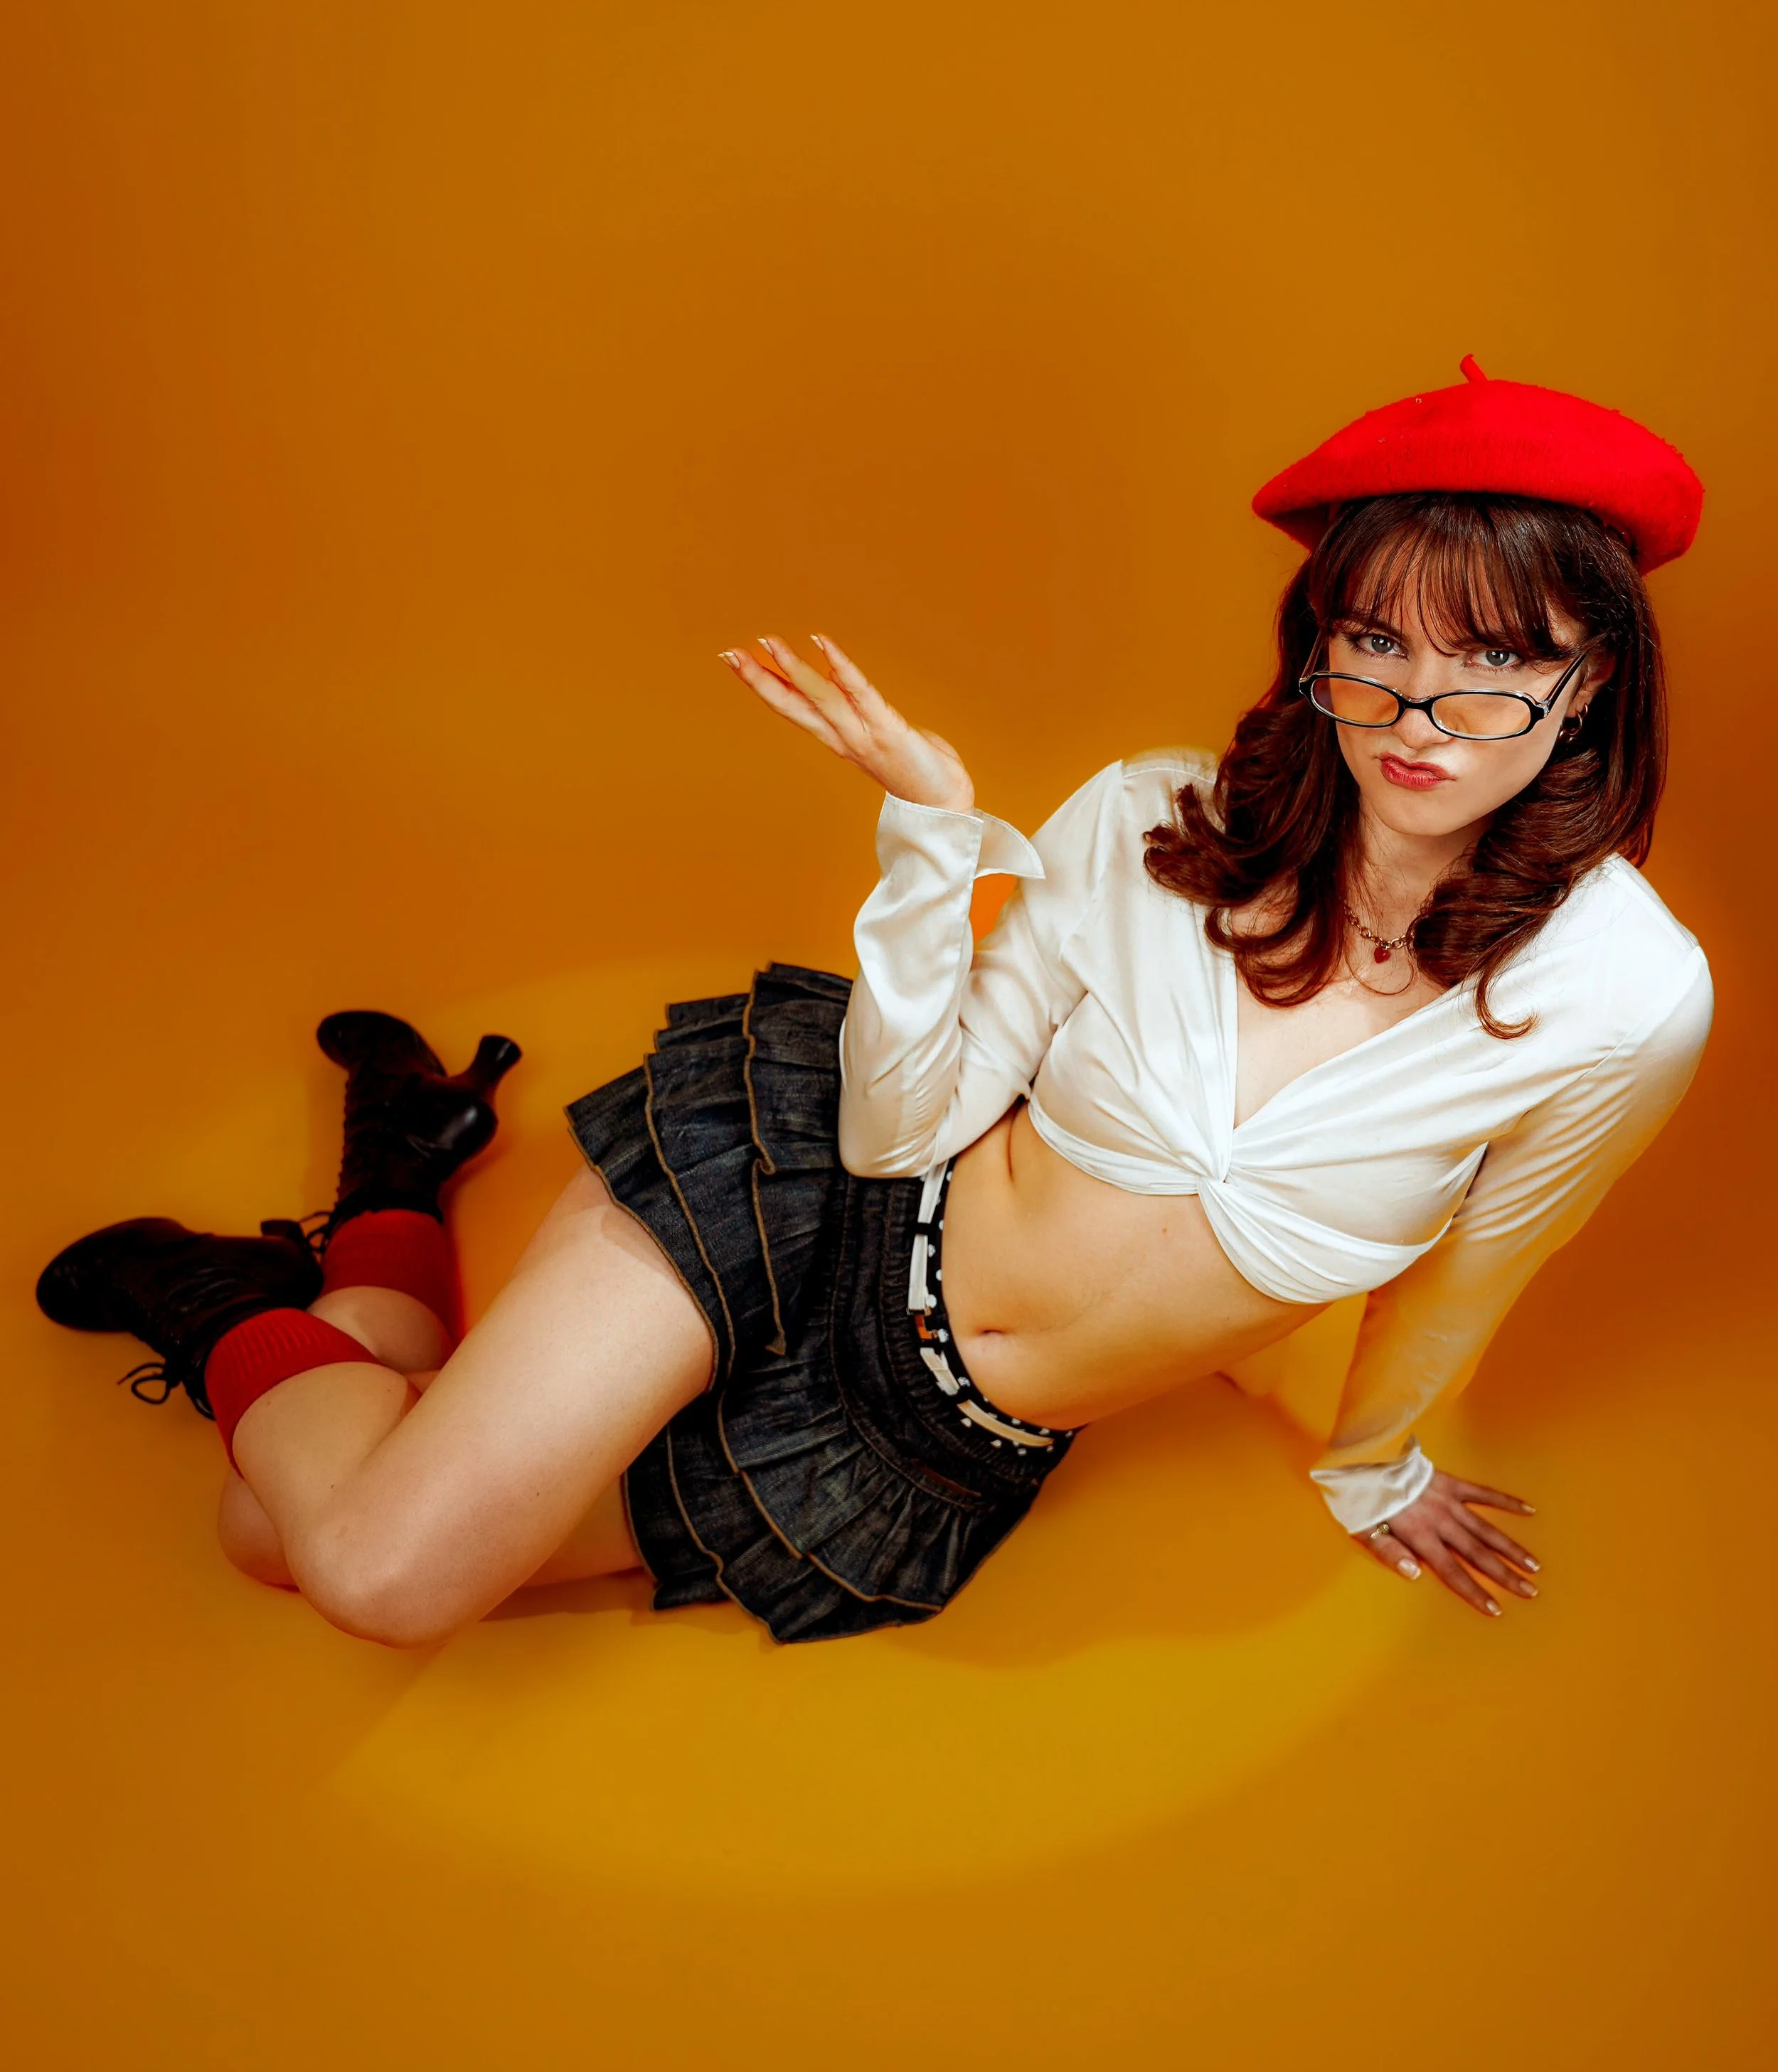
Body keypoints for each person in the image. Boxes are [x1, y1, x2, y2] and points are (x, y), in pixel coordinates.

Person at [36, 358, 1713, 1648]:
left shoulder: (1620, 997)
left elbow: (1480, 1262)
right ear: (1314, 645)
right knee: (381, 1570)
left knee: (272, 1531)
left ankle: (387, 1196)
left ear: (1586, 683)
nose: (1416, 715)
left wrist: (1370, 1464)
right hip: (819, 1205)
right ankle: (221, 1296)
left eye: (1493, 663)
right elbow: (897, 1122)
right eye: (1372, 645)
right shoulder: (1158, 821)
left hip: (920, 1436)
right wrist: (929, 843)